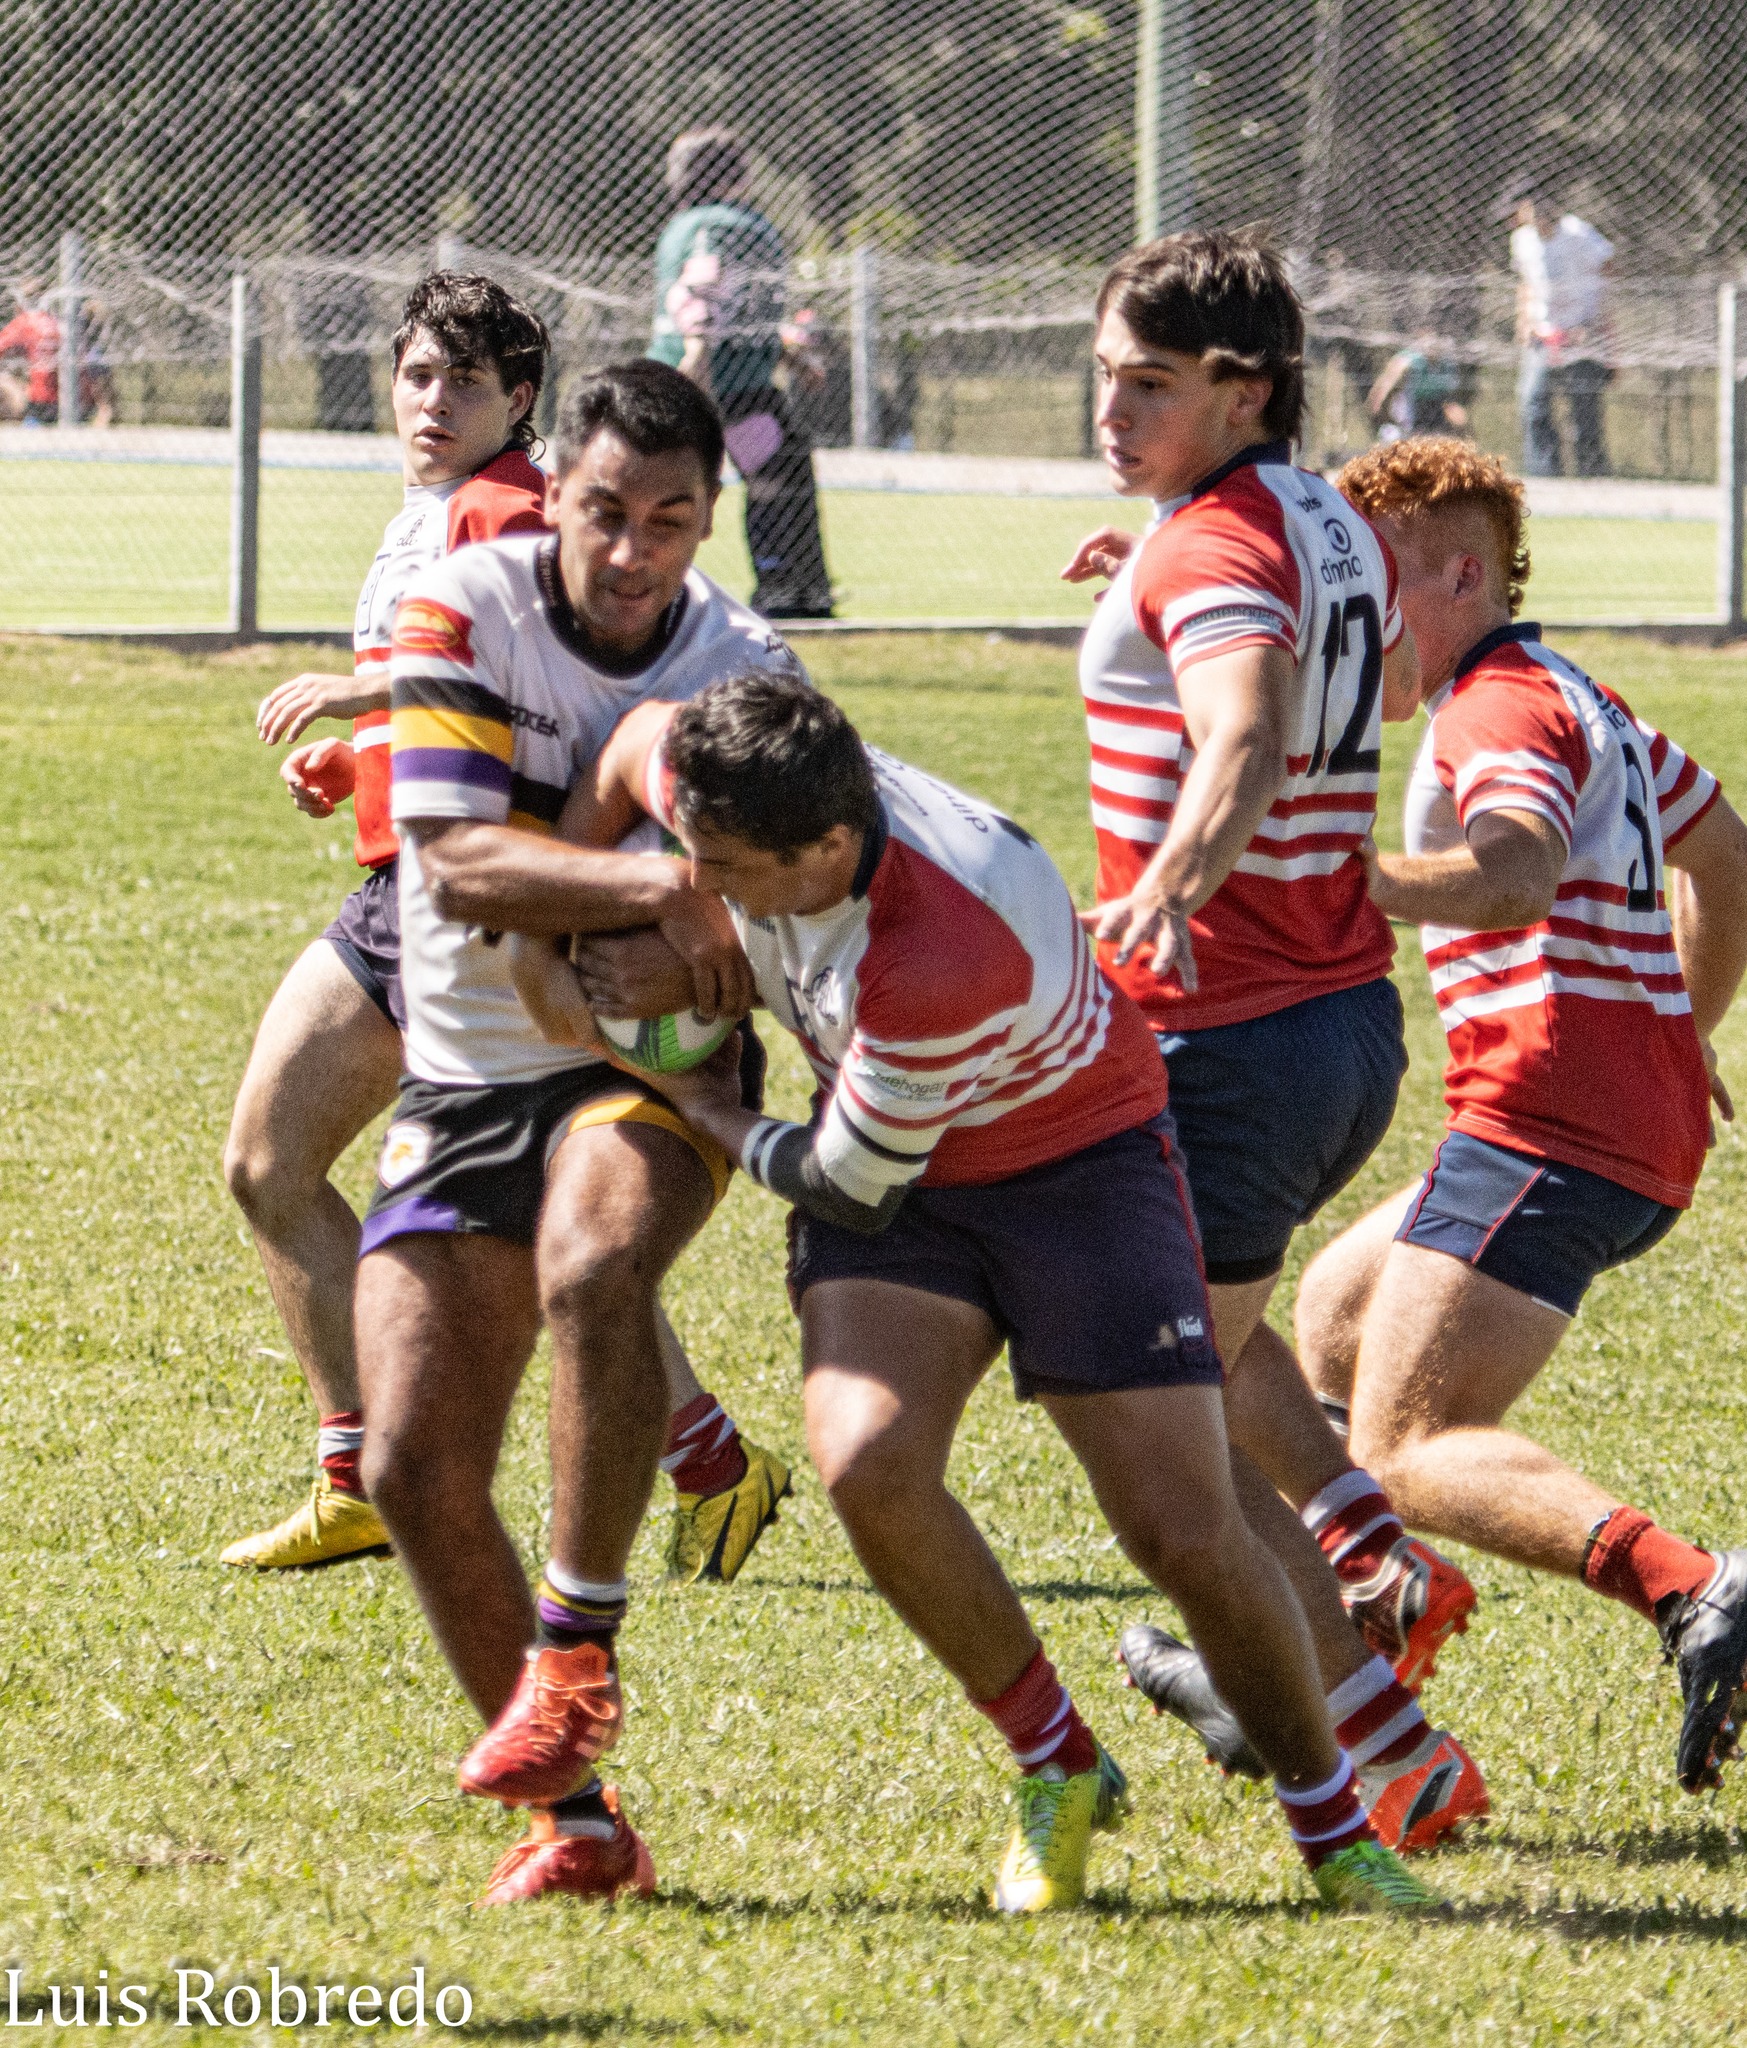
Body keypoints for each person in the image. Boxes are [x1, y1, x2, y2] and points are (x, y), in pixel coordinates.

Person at [492, 667, 1438, 1917]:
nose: (695, 878)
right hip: (902, 1169)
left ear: (831, 845)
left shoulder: (942, 948)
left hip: (1068, 1167)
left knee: (1184, 1528)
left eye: (723, 869)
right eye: (694, 854)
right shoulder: (735, 789)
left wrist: (708, 1103)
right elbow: (628, 750)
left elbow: (845, 1181)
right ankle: (1059, 1761)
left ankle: (1335, 1831)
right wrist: (630, 920)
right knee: (865, 1461)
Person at [223, 280, 783, 1580]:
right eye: (416, 377)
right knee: (520, 1222)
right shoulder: (442, 516)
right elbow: (462, 712)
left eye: (462, 386)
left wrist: (363, 698)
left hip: (484, 907)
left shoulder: (505, 513)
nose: (431, 404)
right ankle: (692, 1465)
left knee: (316, 1172)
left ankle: (376, 1472)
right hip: (427, 893)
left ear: (519, 404)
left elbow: (515, 703)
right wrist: (367, 751)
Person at [1058, 229, 1486, 1850]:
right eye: (1104, 371)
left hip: (1221, 1036)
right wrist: (1153, 582)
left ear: (1244, 388)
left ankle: (1389, 1738)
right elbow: (1353, 687)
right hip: (1335, 1026)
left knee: (1170, 1411)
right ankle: (1374, 1543)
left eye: (1149, 384)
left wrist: (1168, 878)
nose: (1110, 404)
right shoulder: (1314, 520)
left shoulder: (1216, 550)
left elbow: (1241, 727)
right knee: (1219, 1360)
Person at [354, 361, 799, 1906]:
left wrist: (703, 916)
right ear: (558, 491)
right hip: (469, 1070)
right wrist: (660, 888)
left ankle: (576, 1645)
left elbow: (801, 871)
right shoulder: (466, 600)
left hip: (650, 1070)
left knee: (596, 1267)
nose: (629, 552)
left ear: (705, 523)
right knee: (412, 1464)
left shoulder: (747, 659)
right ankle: (584, 1829)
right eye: (604, 512)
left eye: (669, 522)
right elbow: (460, 865)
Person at [1298, 434, 1747, 1796]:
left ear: (1457, 573)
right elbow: (1724, 860)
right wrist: (1676, 1024)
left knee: (1407, 1442)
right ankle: (1363, 1627)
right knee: (1325, 1318)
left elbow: (1510, 876)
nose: (1344, 614)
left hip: (1546, 1120)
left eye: (1363, 580)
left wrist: (1337, 875)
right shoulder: (1576, 693)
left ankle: (1691, 1587)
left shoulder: (1487, 708)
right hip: (1597, 1116)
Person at [651, 126, 833, 619]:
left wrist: (787, 355)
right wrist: (698, 347)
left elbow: (744, 310)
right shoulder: (727, 225)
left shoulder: (686, 224)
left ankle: (794, 588)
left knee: (668, 488)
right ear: (736, 173)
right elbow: (704, 283)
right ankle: (787, 588)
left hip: (696, 382)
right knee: (778, 479)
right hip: (725, 386)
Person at [1506, 187, 1613, 478]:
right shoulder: (1521, 240)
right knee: (1533, 401)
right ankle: (1544, 475)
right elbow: (1525, 282)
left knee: (1583, 406)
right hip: (1543, 334)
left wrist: (1595, 321)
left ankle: (1592, 474)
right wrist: (1524, 321)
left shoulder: (1579, 234)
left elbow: (1608, 269)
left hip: (1580, 333)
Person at [1366, 334, 1468, 443]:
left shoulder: (1447, 365)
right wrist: (1379, 397)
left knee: (1442, 436)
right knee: (1409, 437)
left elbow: (1452, 399)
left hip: (1437, 405)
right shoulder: (1412, 360)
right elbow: (1390, 377)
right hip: (1412, 405)